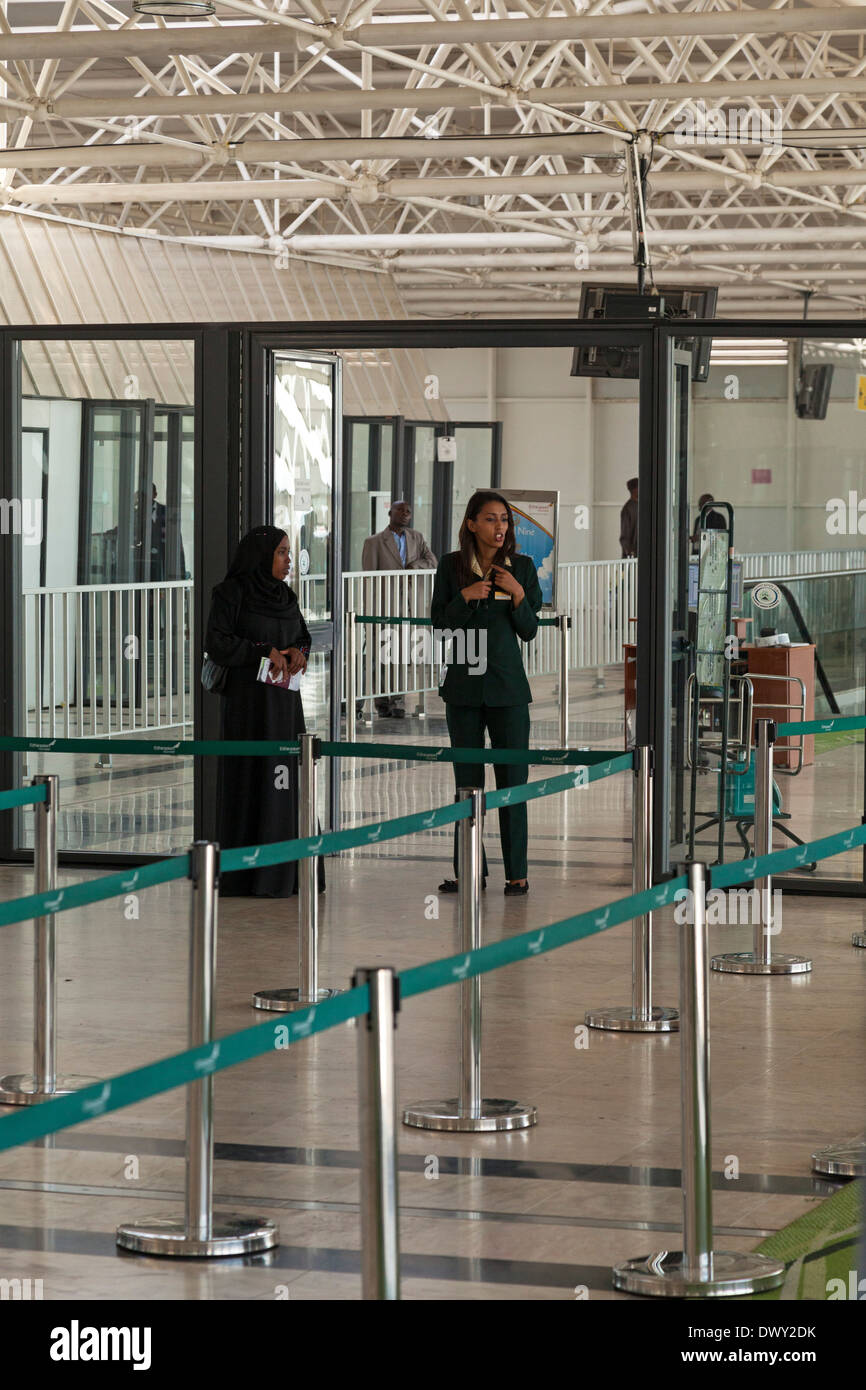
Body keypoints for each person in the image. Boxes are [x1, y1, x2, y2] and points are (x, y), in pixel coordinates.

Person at [431, 490, 542, 896]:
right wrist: (464, 597)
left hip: (508, 689)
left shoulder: (523, 568)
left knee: (512, 782)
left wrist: (516, 594)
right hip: (462, 688)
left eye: (505, 521)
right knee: (467, 783)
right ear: (472, 523)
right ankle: (469, 870)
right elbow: (440, 625)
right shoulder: (452, 567)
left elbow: (529, 631)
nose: (500, 528)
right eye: (491, 519)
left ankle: (518, 872)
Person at [205, 525, 323, 898]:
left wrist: (298, 652)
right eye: (282, 553)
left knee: (285, 779)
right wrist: (261, 651)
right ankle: (246, 875)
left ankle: (286, 873)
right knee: (249, 779)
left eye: (289, 552)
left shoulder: (285, 596)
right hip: (247, 706)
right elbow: (217, 642)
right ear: (261, 556)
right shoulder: (231, 594)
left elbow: (301, 634)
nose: (289, 560)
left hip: (284, 704)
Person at [361, 500, 437, 717]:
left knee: (402, 656)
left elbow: (432, 561)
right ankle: (383, 702)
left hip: (408, 606)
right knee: (382, 657)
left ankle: (398, 701)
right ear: (390, 512)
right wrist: (369, 613)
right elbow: (368, 580)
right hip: (383, 607)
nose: (405, 514)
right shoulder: (374, 542)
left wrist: (415, 566)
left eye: (408, 511)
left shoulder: (417, 538)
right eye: (400, 510)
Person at [620, 477, 638, 558]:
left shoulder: (640, 506)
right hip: (633, 557)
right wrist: (630, 553)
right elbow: (625, 535)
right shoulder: (628, 509)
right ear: (635, 490)